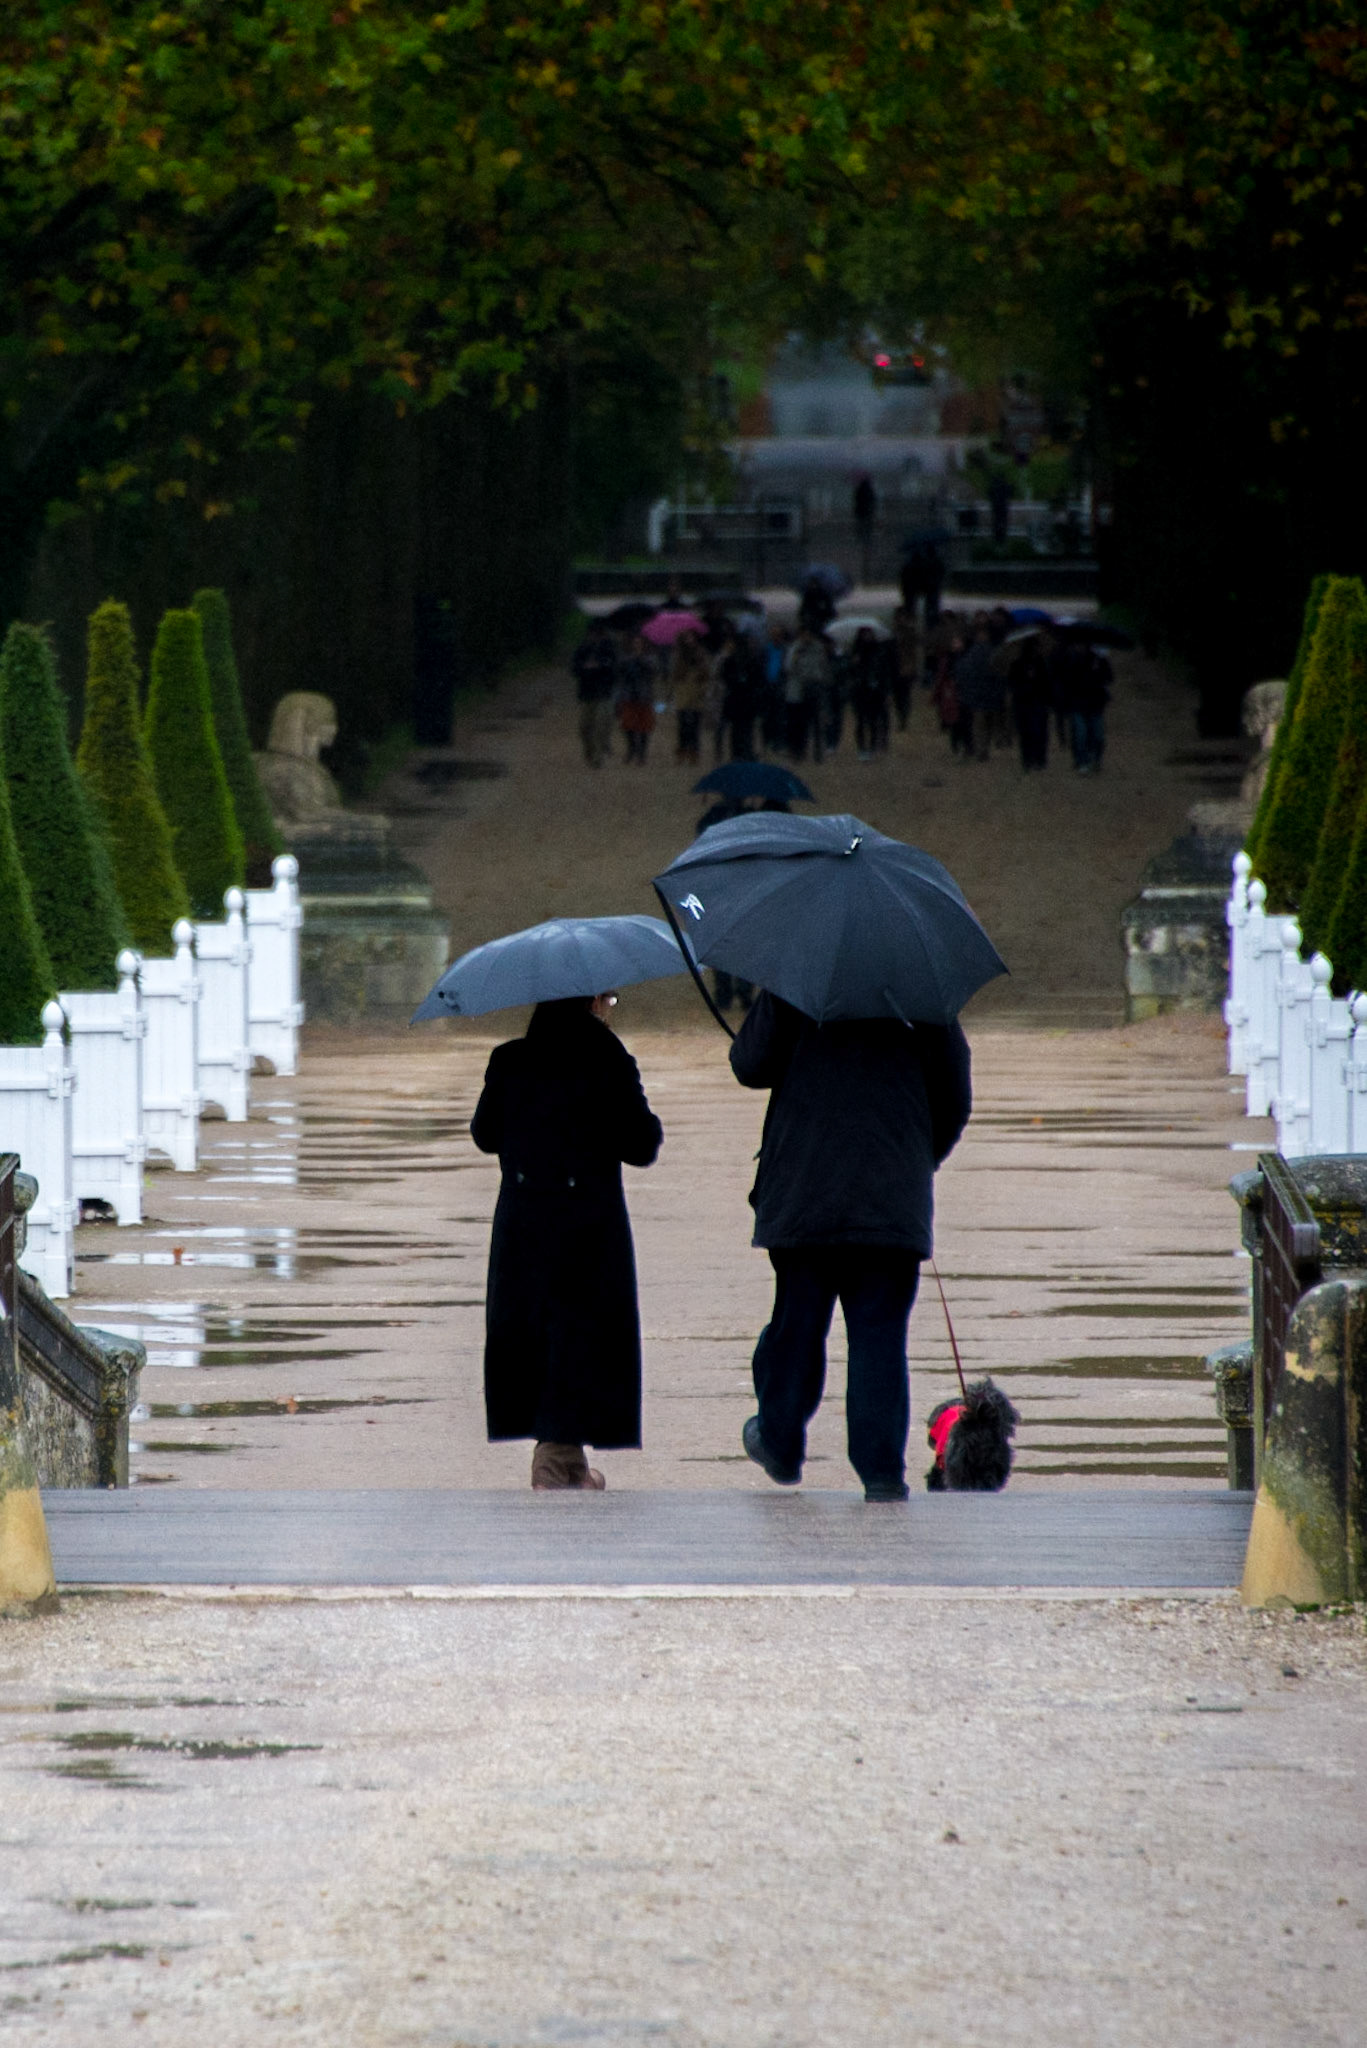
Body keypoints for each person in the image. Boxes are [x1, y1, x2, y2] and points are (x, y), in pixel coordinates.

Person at [730, 991, 972, 1501]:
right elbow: (954, 1095)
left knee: (797, 1324)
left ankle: (780, 1440)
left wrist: (773, 997)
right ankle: (882, 1474)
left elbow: (750, 1064)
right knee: (878, 1338)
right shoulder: (918, 986)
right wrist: (915, 1162)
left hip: (803, 1190)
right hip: (888, 1199)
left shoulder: (798, 979)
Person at [471, 993, 663, 1490]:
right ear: (591, 1003)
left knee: (538, 1332)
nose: (612, 1007)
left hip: (524, 1221)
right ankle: (555, 1464)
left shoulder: (509, 1059)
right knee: (579, 1333)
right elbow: (642, 1145)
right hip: (588, 1225)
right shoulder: (608, 1059)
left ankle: (568, 1461)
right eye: (609, 999)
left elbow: (485, 1133)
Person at [572, 622, 618, 768]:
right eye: (592, 634)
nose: (594, 637)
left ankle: (598, 757)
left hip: (604, 693)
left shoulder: (609, 649)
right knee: (584, 727)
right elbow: (574, 669)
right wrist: (585, 668)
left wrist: (600, 666)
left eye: (597, 634)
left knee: (600, 725)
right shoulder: (582, 649)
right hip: (587, 693)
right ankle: (590, 751)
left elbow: (614, 670)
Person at [784, 626, 829, 761]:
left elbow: (823, 667)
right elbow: (788, 668)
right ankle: (798, 751)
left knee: (816, 722)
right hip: (798, 690)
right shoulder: (795, 648)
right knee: (798, 723)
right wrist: (795, 659)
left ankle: (818, 752)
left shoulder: (818, 648)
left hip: (814, 687)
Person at [1009, 633, 1052, 771]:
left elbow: (1047, 683)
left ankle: (1038, 758)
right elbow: (1012, 683)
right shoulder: (1018, 664)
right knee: (1026, 733)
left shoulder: (1042, 664)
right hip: (1023, 703)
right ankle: (1028, 759)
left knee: (1038, 732)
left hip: (1037, 702)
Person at [1067, 643, 1112, 773]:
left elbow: (1109, 678)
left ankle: (1096, 759)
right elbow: (1071, 679)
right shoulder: (1077, 661)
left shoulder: (1102, 662)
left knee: (1098, 736)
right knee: (1081, 734)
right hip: (1079, 704)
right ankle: (1082, 761)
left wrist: (1098, 672)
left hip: (1096, 705)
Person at [847, 627, 890, 759]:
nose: (867, 637)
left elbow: (883, 672)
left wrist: (884, 690)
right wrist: (854, 664)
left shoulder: (878, 652)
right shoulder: (855, 652)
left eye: (869, 634)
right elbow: (849, 673)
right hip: (860, 691)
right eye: (865, 635)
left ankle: (872, 747)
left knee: (873, 721)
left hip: (875, 691)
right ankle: (861, 748)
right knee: (860, 721)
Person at [615, 635, 658, 765]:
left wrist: (640, 660)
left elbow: (652, 672)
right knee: (628, 725)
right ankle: (632, 748)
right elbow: (620, 672)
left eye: (639, 643)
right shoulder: (626, 658)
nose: (637, 645)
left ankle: (642, 754)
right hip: (629, 695)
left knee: (644, 726)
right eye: (635, 643)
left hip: (644, 696)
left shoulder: (649, 658)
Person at [669, 629, 709, 764]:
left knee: (695, 727)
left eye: (691, 637)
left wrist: (702, 690)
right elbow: (675, 676)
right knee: (683, 727)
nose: (689, 640)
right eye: (687, 638)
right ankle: (682, 751)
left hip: (697, 694)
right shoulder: (679, 656)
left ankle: (694, 753)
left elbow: (705, 675)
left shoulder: (701, 654)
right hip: (682, 694)